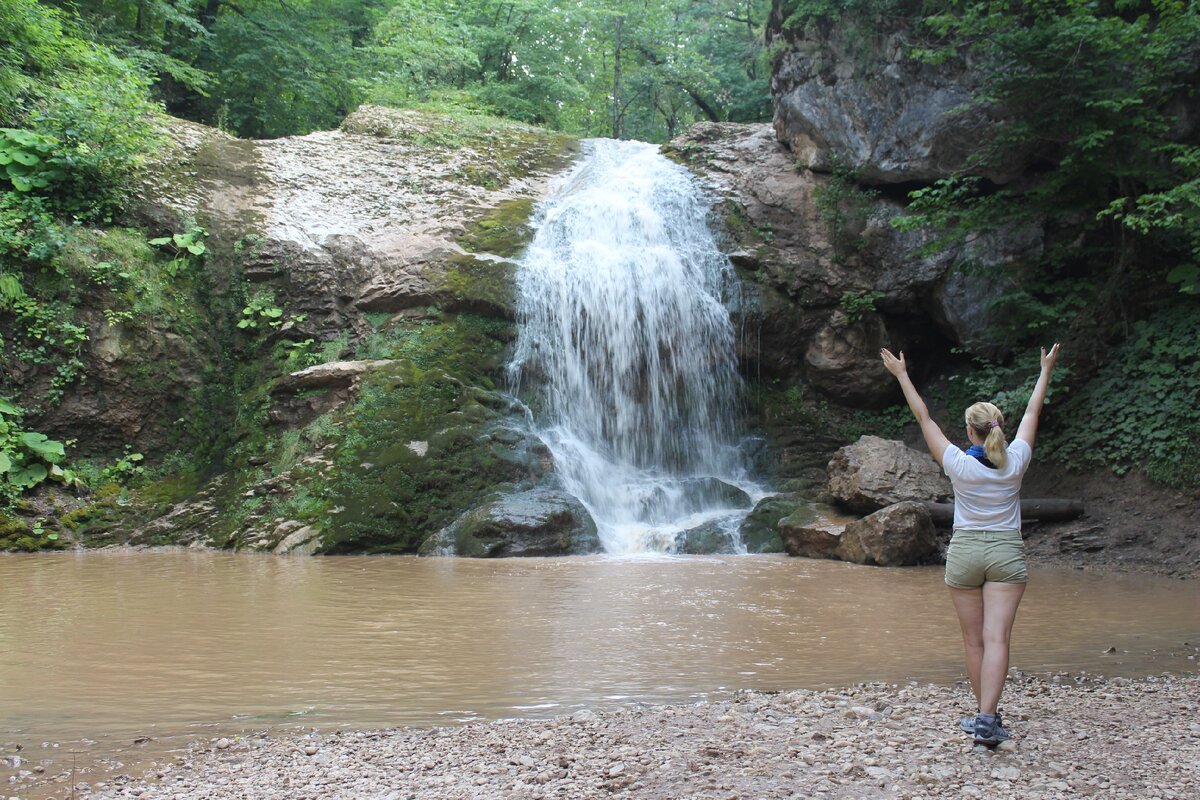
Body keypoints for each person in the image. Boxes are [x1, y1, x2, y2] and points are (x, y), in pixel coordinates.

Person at [879, 343, 1061, 747]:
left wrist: (901, 375)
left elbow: (922, 416)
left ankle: (983, 716)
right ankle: (987, 718)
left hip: (964, 553)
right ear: (999, 428)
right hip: (1005, 553)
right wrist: (1045, 370)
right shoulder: (1015, 461)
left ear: (970, 432)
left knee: (973, 640)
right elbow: (1034, 412)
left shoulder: (958, 463)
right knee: (997, 639)